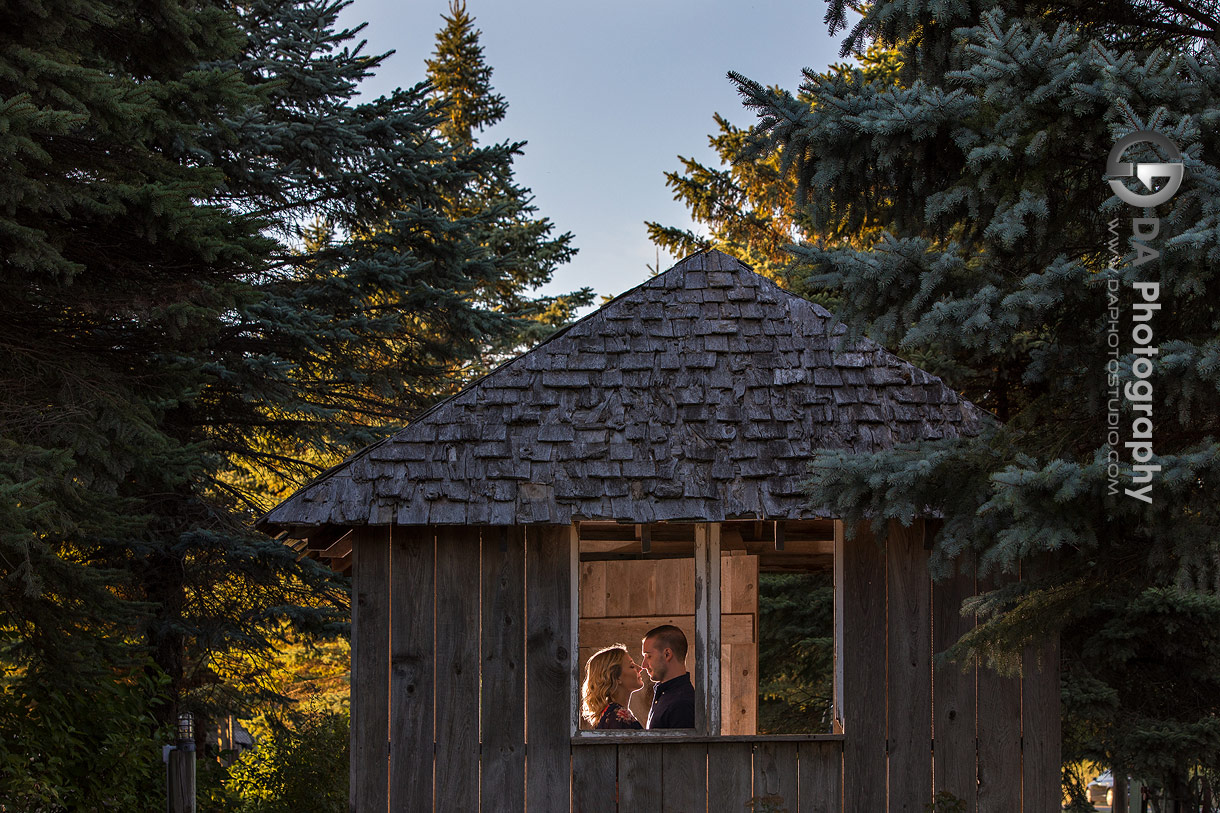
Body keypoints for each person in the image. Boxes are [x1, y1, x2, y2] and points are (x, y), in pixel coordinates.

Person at [641, 624, 695, 729]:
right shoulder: (665, 694)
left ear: (667, 654)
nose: (643, 665)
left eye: (648, 656)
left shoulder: (682, 704)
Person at [581, 644, 644, 730]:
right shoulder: (618, 716)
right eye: (632, 666)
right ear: (616, 677)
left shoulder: (609, 713)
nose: (640, 668)